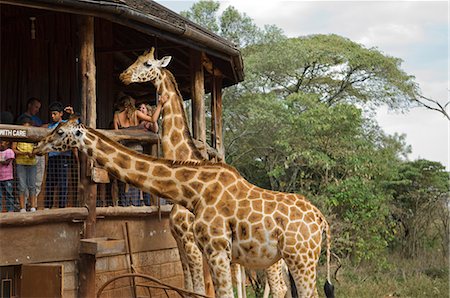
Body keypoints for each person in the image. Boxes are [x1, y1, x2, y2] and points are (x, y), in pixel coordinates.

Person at [113, 95, 165, 206]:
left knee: (125, 179)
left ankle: (125, 205)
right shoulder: (136, 114)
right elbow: (153, 119)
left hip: (124, 152)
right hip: (137, 151)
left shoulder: (116, 116)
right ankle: (137, 203)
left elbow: (116, 136)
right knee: (137, 177)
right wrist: (160, 104)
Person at [44, 102, 78, 209]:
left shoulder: (65, 123)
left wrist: (72, 113)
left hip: (63, 156)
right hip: (52, 156)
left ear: (61, 114)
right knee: (50, 182)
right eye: (51, 114)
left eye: (55, 114)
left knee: (63, 183)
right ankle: (48, 206)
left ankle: (61, 207)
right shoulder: (50, 126)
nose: (52, 116)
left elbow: (76, 126)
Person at [16, 97, 46, 201]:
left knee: (36, 179)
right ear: (29, 105)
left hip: (35, 152)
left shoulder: (37, 119)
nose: (37, 110)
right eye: (36, 107)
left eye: (39, 108)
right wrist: (42, 128)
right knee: (24, 182)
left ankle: (33, 202)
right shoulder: (22, 118)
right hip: (24, 154)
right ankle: (23, 203)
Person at [12, 116, 37, 212]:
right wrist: (24, 153)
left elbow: (37, 148)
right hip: (20, 162)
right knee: (22, 185)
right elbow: (14, 149)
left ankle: (33, 206)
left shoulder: (33, 136)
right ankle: (22, 207)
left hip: (32, 162)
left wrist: (33, 153)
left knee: (32, 185)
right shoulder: (18, 136)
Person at [0, 140, 15, 212]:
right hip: (0, 177)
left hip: (8, 177)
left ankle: (10, 210)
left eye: (2, 142)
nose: (1, 144)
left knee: (9, 194)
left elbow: (7, 162)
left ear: (7, 143)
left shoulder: (9, 151)